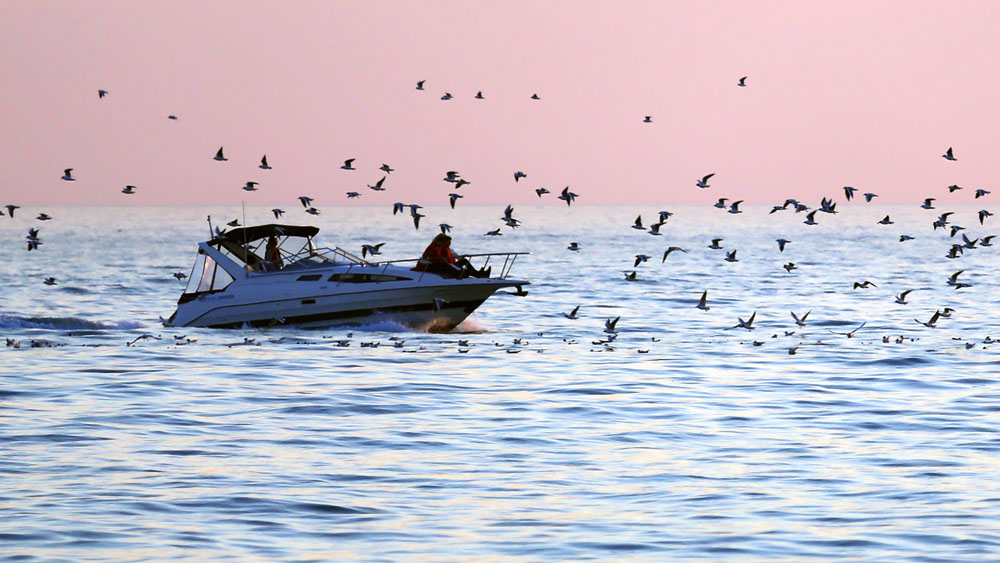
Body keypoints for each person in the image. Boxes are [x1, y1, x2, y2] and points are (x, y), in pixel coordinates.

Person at [413, 233, 490, 278]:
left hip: (445, 264)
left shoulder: (442, 248)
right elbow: (430, 258)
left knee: (464, 261)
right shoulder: (434, 248)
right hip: (432, 266)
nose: (448, 245)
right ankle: (463, 274)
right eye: (446, 243)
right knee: (445, 265)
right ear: (440, 241)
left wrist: (462, 257)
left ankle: (478, 274)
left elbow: (453, 256)